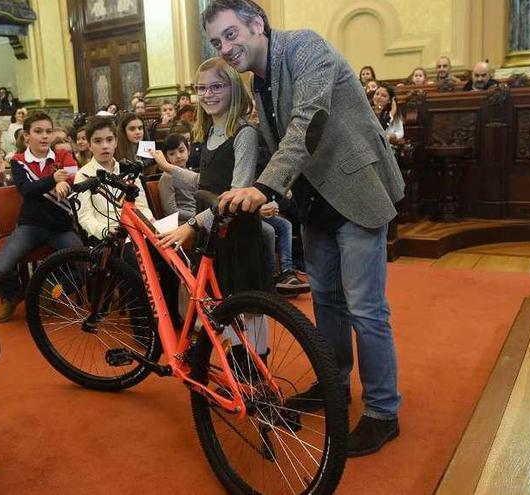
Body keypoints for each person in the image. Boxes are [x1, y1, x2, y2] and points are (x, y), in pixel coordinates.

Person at [202, 0, 405, 456]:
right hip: (317, 203)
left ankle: (382, 412)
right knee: (328, 303)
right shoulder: (258, 82)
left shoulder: (305, 47)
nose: (226, 47)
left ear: (257, 24)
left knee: (366, 309)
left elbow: (308, 121)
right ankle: (333, 386)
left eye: (231, 34)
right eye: (217, 42)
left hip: (355, 191)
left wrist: (265, 187)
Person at [153, 56, 270, 361]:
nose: (208, 94)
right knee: (222, 304)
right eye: (201, 88)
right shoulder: (207, 133)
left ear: (233, 88)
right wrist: (169, 168)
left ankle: (259, 371)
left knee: (251, 310)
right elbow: (205, 185)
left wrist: (191, 225)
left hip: (239, 233)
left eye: (216, 86)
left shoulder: (243, 133)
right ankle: (237, 370)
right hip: (216, 233)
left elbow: (232, 197)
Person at [0, 112, 83, 322]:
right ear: (26, 137)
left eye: (48, 132)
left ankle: (47, 290)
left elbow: (74, 178)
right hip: (31, 226)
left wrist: (64, 182)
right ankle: (12, 297)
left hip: (61, 227)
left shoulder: (62, 155)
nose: (44, 137)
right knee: (0, 266)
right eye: (38, 132)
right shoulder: (18, 161)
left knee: (85, 264)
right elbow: (27, 190)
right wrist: (53, 180)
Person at [78, 116, 155, 243]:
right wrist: (105, 232)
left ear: (116, 142)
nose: (105, 146)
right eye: (98, 141)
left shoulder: (128, 170)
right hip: (107, 237)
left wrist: (148, 224)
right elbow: (85, 217)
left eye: (109, 140)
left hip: (137, 231)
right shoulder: (84, 175)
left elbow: (142, 205)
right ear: (89, 145)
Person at [156, 133, 195, 224]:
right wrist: (197, 216)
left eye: (181, 151)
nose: (178, 156)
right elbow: (170, 211)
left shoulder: (192, 174)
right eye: (172, 154)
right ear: (166, 158)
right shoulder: (167, 177)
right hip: (182, 222)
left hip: (197, 216)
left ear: (188, 151)